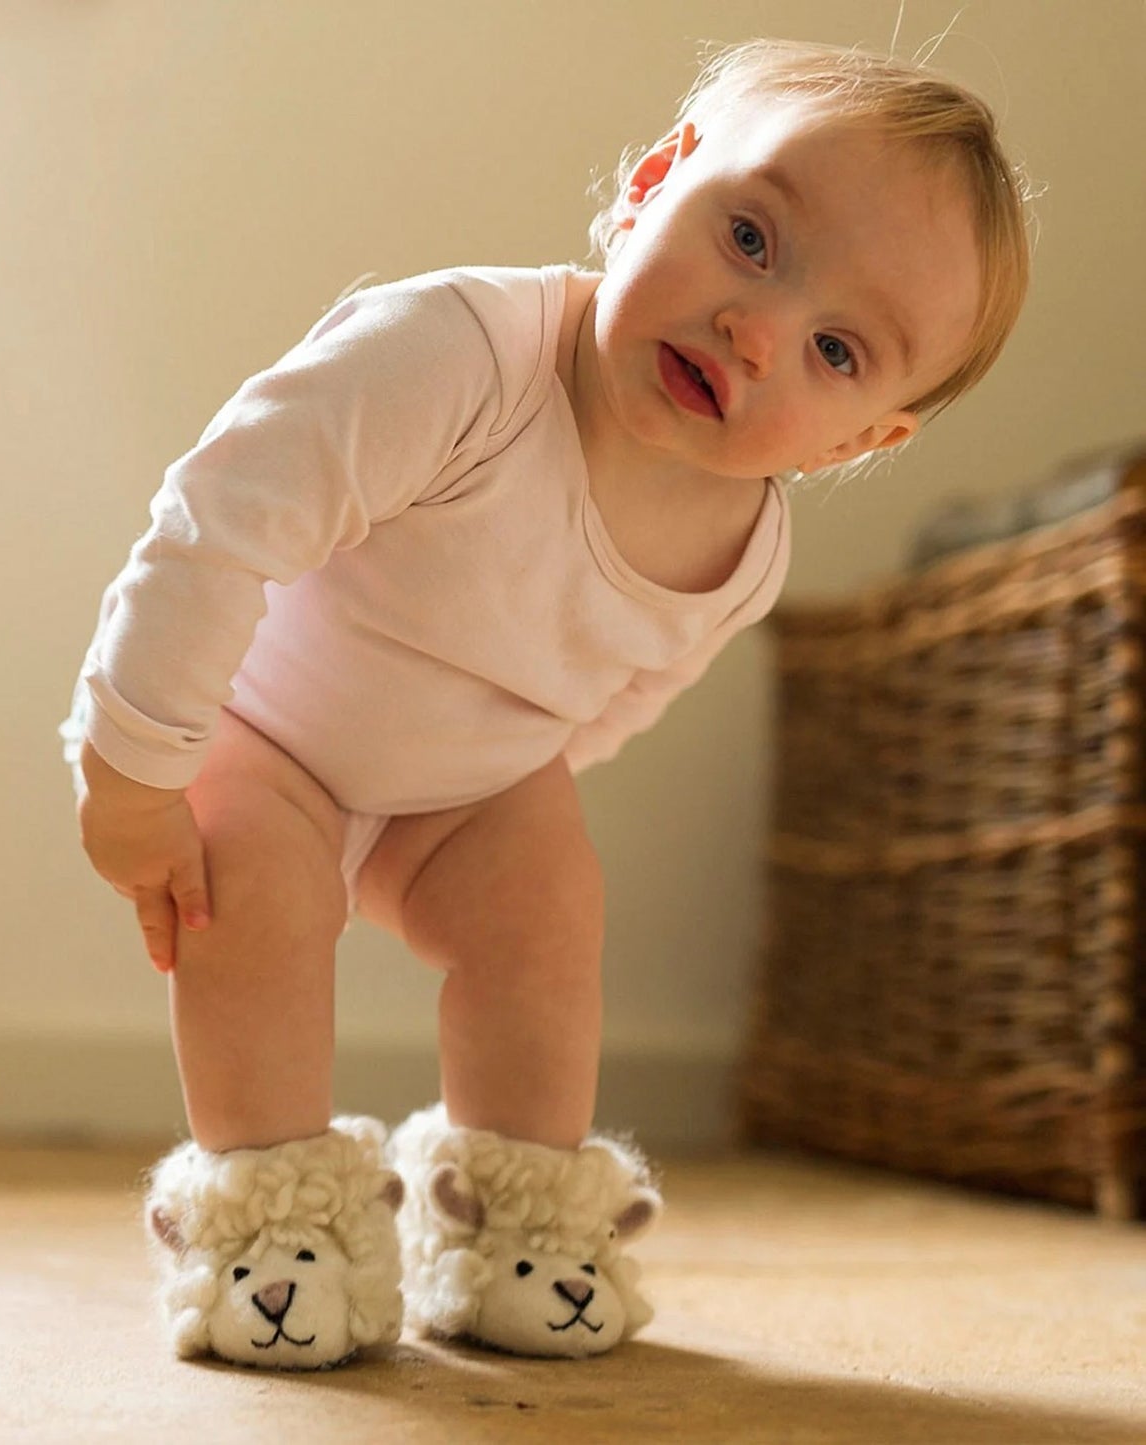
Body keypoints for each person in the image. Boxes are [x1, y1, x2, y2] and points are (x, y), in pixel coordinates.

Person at [63, 38, 1032, 1368]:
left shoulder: (740, 552)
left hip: (463, 782)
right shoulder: (452, 357)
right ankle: (269, 1226)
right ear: (652, 181)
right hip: (274, 728)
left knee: (547, 902)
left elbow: (615, 697)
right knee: (254, 898)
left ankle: (512, 1220)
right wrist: (134, 764)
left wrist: (503, 792)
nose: (756, 328)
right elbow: (219, 520)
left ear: (855, 441)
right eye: (749, 236)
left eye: (834, 349)